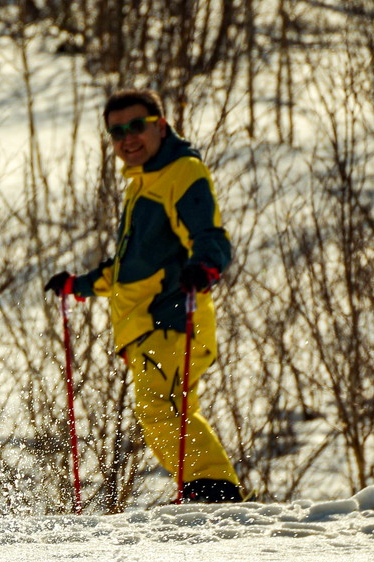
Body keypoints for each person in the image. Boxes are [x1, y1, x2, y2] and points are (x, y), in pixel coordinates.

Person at [46, 89, 244, 504]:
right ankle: (206, 490)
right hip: (145, 326)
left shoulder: (182, 172)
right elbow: (131, 268)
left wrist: (205, 267)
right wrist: (79, 285)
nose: (127, 138)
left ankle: (214, 493)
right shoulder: (142, 183)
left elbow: (210, 236)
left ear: (161, 126)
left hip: (172, 317)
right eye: (117, 131)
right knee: (161, 412)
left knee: (165, 410)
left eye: (136, 126)